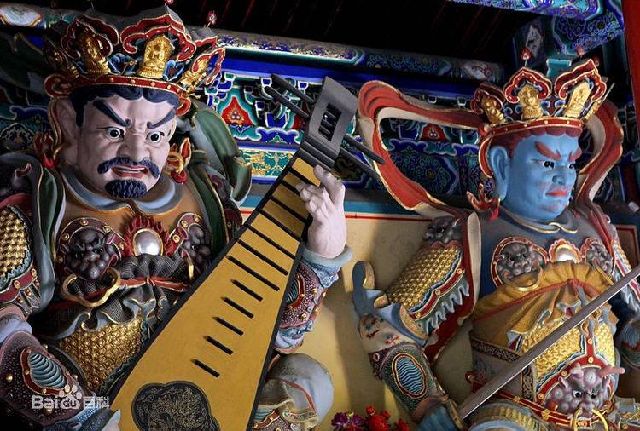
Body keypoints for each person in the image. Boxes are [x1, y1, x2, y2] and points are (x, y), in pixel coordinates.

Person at [0, 6, 350, 430]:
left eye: (155, 135)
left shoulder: (206, 199)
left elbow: (273, 332)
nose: (136, 153)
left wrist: (322, 254)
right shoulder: (37, 200)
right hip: (87, 413)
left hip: (205, 405)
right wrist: (82, 417)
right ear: (68, 124)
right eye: (114, 132)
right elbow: (3, 332)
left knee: (308, 379)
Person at [353, 59, 640, 430]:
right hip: (517, 417)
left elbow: (631, 328)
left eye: (570, 165)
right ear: (501, 164)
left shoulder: (598, 228)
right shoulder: (472, 235)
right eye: (547, 164)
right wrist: (426, 405)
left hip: (606, 417)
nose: (563, 178)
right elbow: (384, 333)